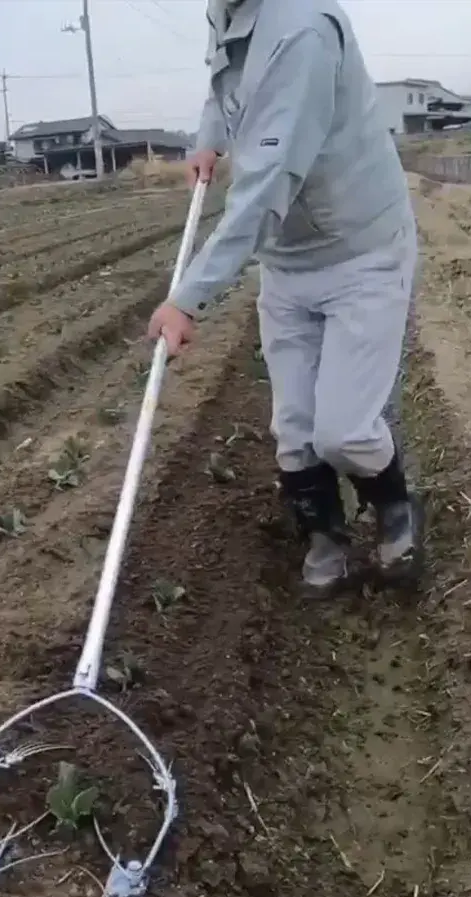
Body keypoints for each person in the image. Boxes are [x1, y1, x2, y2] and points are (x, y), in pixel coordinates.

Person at [147, 0, 423, 596]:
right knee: (295, 431)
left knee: (344, 430)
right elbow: (224, 84)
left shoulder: (301, 30)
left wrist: (188, 297)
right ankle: (327, 535)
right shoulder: (227, 10)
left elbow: (267, 185)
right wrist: (209, 139)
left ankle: (396, 507)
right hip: (289, 260)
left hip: (360, 249)